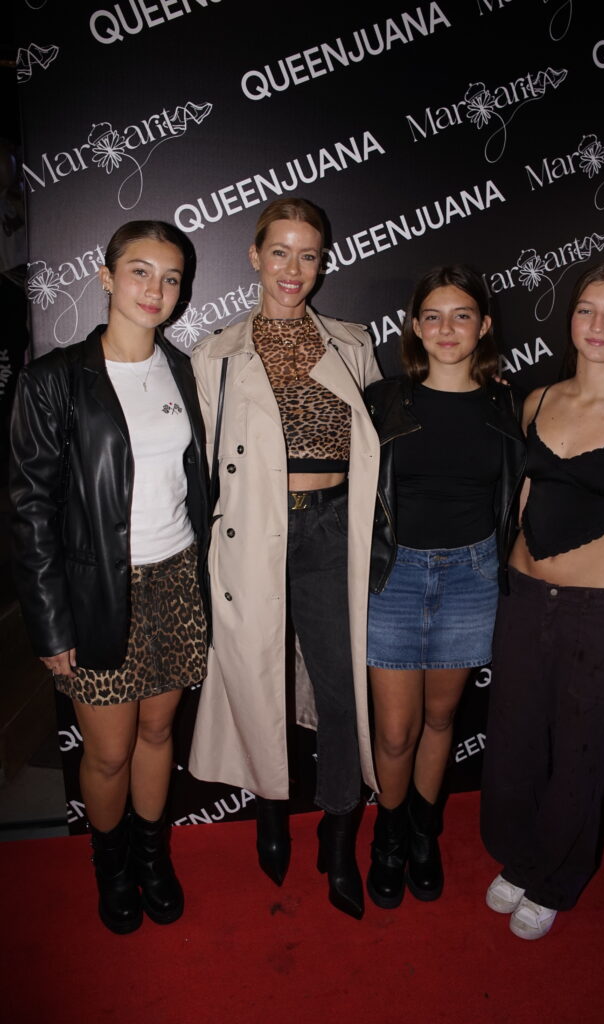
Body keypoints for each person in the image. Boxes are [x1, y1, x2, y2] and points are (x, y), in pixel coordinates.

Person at [10, 220, 210, 934]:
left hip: (176, 578)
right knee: (110, 750)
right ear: (106, 277)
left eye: (171, 277)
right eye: (139, 272)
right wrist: (50, 624)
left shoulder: (183, 369)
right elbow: (30, 509)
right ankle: (112, 866)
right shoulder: (53, 380)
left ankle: (152, 857)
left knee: (158, 734)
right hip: (97, 593)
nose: (156, 289)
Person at [188, 197, 381, 919]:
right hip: (251, 533)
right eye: (279, 252)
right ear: (254, 256)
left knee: (340, 691)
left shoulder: (352, 344)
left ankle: (339, 833)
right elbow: (200, 468)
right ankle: (270, 814)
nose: (293, 268)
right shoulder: (215, 354)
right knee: (257, 680)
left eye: (308, 254)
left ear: (322, 262)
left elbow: (379, 448)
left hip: (331, 532)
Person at [480, 259, 604, 939]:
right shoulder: (535, 401)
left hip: (600, 615)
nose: (598, 325)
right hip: (522, 601)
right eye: (586, 310)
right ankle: (522, 856)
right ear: (569, 319)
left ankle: (555, 879)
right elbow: (518, 502)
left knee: (580, 755)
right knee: (513, 744)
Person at [363, 264, 525, 908]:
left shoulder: (510, 405)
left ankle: (423, 834)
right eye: (433, 316)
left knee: (440, 718)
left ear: (483, 326)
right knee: (394, 731)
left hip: (472, 576)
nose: (447, 328)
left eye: (462, 315)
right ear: (414, 327)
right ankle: (389, 837)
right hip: (393, 577)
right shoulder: (382, 401)